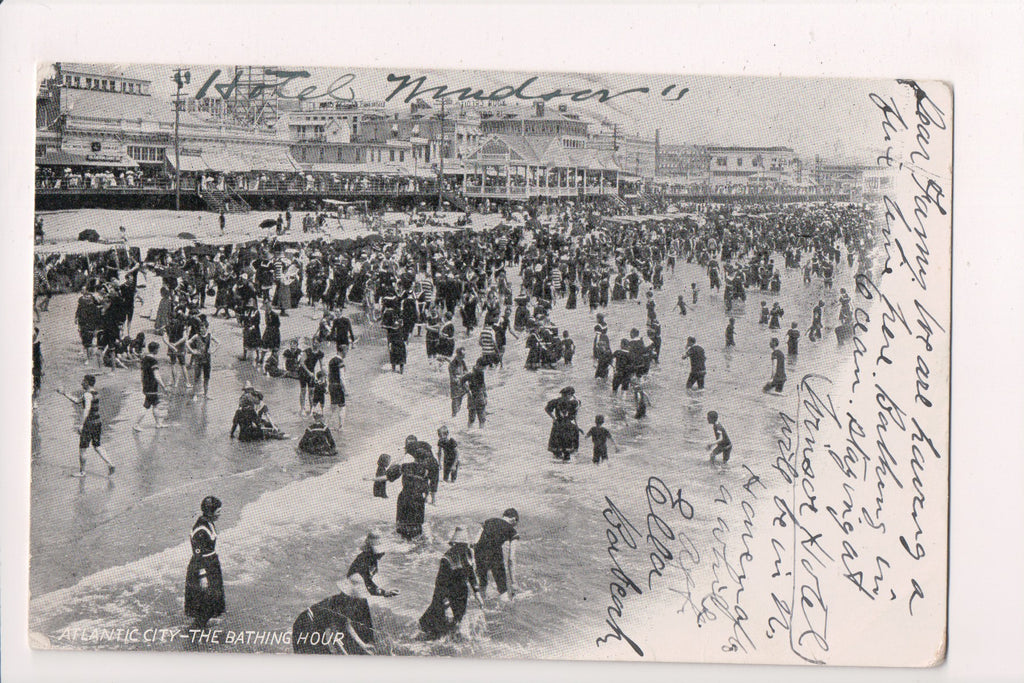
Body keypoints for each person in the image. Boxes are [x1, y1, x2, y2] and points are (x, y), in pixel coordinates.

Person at [419, 527, 483, 640]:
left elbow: (471, 573)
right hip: (446, 596)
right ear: (455, 544)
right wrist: (446, 606)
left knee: (456, 625)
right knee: (435, 630)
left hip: (461, 594)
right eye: (461, 545)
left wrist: (477, 592)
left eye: (465, 544)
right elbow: (440, 585)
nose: (464, 547)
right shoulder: (447, 559)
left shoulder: (467, 553)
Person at [291, 576, 376, 655]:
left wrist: (363, 645)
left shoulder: (344, 602)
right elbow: (335, 636)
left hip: (316, 626)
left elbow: (347, 624)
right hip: (305, 625)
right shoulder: (338, 605)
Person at [184, 496, 225, 629]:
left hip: (210, 564)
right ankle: (196, 632)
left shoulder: (208, 523)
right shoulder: (201, 529)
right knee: (204, 603)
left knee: (210, 602)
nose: (219, 514)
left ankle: (201, 628)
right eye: (217, 512)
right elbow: (198, 555)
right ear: (210, 512)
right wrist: (203, 578)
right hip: (203, 567)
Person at [68, 374, 115, 477]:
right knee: (97, 446)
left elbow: (87, 409)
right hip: (98, 422)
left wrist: (81, 424)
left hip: (89, 424)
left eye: (83, 381)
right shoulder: (95, 393)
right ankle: (110, 463)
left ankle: (82, 472)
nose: (81, 383)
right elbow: (77, 401)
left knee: (82, 448)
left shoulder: (87, 395)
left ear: (87, 383)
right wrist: (64, 394)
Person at [385, 438, 431, 540]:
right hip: (417, 499)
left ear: (414, 457)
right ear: (424, 459)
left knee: (401, 526)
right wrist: (427, 497)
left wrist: (401, 457)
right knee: (416, 528)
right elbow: (426, 486)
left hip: (404, 497)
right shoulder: (425, 471)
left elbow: (390, 474)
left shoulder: (405, 466)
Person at [475, 508, 519, 602]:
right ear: (514, 519)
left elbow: (475, 541)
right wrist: (514, 583)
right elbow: (511, 559)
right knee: (503, 590)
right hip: (495, 555)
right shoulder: (512, 531)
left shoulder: (488, 521)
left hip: (479, 553)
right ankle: (507, 611)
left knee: (483, 584)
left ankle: (482, 607)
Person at [347, 532, 399, 597]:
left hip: (359, 587)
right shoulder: (365, 560)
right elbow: (368, 583)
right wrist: (385, 593)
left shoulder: (371, 559)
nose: (383, 553)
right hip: (354, 590)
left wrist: (385, 592)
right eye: (381, 551)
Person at [134, 341, 167, 431]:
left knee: (155, 404)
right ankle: (136, 424)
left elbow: (142, 373)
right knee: (146, 405)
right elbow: (157, 375)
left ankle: (158, 423)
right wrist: (163, 386)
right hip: (152, 385)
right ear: (156, 349)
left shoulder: (144, 359)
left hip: (146, 384)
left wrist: (143, 384)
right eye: (158, 349)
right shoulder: (153, 361)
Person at [545, 386, 581, 461]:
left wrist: (554, 418)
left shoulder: (556, 401)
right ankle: (565, 466)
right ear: (569, 395)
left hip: (558, 425)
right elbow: (578, 404)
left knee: (557, 449)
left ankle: (556, 465)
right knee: (567, 450)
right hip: (567, 426)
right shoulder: (573, 403)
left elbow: (547, 409)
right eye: (570, 394)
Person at [186, 318, 218, 401]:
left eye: (203, 328)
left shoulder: (209, 336)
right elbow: (187, 343)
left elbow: (219, 342)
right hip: (198, 359)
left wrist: (213, 351)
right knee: (197, 377)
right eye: (200, 328)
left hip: (207, 359)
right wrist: (192, 351)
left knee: (207, 377)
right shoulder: (196, 336)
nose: (201, 329)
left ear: (206, 328)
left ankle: (206, 394)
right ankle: (195, 394)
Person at [460, 358, 488, 428]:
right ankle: (470, 434)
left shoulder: (481, 373)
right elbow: (461, 381)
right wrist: (467, 391)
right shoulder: (471, 374)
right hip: (472, 396)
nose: (483, 369)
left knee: (482, 418)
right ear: (478, 365)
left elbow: (483, 385)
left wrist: (485, 396)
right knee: (471, 418)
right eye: (482, 368)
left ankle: (481, 435)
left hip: (480, 396)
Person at [448, 348, 468, 418]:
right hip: (455, 386)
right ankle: (454, 415)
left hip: (462, 384)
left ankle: (457, 413)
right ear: (459, 355)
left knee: (460, 399)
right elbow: (452, 377)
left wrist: (465, 376)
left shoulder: (462, 362)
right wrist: (459, 379)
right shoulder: (452, 364)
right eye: (463, 355)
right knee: (455, 400)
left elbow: (466, 371)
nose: (464, 357)